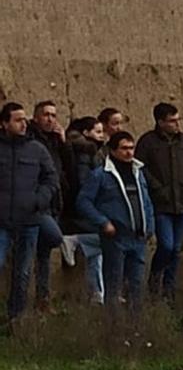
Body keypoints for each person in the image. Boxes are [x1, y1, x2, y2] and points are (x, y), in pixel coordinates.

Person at [76, 132, 155, 327]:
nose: (129, 153)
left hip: (138, 238)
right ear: (113, 150)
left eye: (131, 148)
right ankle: (114, 327)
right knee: (115, 284)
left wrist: (150, 226)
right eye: (124, 148)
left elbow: (146, 202)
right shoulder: (101, 175)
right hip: (116, 237)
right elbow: (83, 202)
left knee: (136, 285)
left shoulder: (139, 172)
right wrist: (103, 222)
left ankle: (135, 327)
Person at [0, 103, 58, 324]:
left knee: (23, 272)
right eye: (17, 120)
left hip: (29, 219)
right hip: (2, 220)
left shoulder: (36, 149)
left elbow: (51, 178)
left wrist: (39, 200)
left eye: (24, 119)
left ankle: (16, 317)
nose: (23, 124)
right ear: (4, 123)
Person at [136, 102, 183, 302]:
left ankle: (168, 289)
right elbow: (141, 168)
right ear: (160, 122)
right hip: (161, 203)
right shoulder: (147, 142)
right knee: (167, 245)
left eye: (177, 120)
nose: (176, 124)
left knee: (177, 249)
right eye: (171, 121)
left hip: (182, 202)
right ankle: (155, 280)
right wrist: (157, 188)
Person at [28, 101, 71, 312]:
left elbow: (66, 169)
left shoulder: (55, 140)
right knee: (54, 238)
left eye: (53, 115)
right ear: (36, 117)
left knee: (43, 254)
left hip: (54, 203)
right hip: (36, 204)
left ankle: (42, 299)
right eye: (46, 115)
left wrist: (64, 142)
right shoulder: (30, 139)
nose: (50, 119)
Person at [64, 117, 107, 304]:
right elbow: (83, 182)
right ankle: (74, 241)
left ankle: (97, 292)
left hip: (90, 206)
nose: (102, 135)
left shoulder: (92, 151)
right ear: (86, 133)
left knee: (98, 252)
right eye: (98, 132)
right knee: (107, 239)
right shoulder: (85, 152)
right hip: (83, 209)